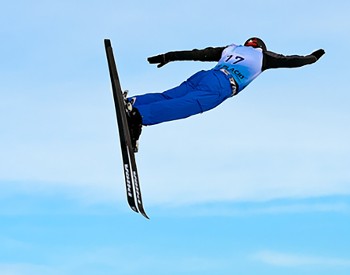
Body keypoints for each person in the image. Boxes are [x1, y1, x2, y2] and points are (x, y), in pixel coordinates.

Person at [126, 37, 325, 152]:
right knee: (187, 105)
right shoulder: (264, 57)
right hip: (222, 84)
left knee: (170, 96)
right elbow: (293, 60)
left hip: (206, 75)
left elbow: (197, 54)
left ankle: (134, 102)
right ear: (261, 48)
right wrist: (313, 58)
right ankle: (139, 116)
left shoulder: (231, 49)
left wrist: (168, 56)